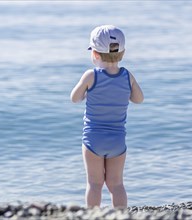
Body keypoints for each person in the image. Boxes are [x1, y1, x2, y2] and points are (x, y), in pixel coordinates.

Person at [70, 25, 144, 208]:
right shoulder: (127, 76)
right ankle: (121, 214)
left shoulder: (90, 76)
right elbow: (138, 99)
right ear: (122, 52)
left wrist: (89, 92)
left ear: (95, 54)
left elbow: (74, 98)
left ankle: (92, 215)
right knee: (116, 184)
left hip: (93, 139)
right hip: (117, 141)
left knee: (94, 184)